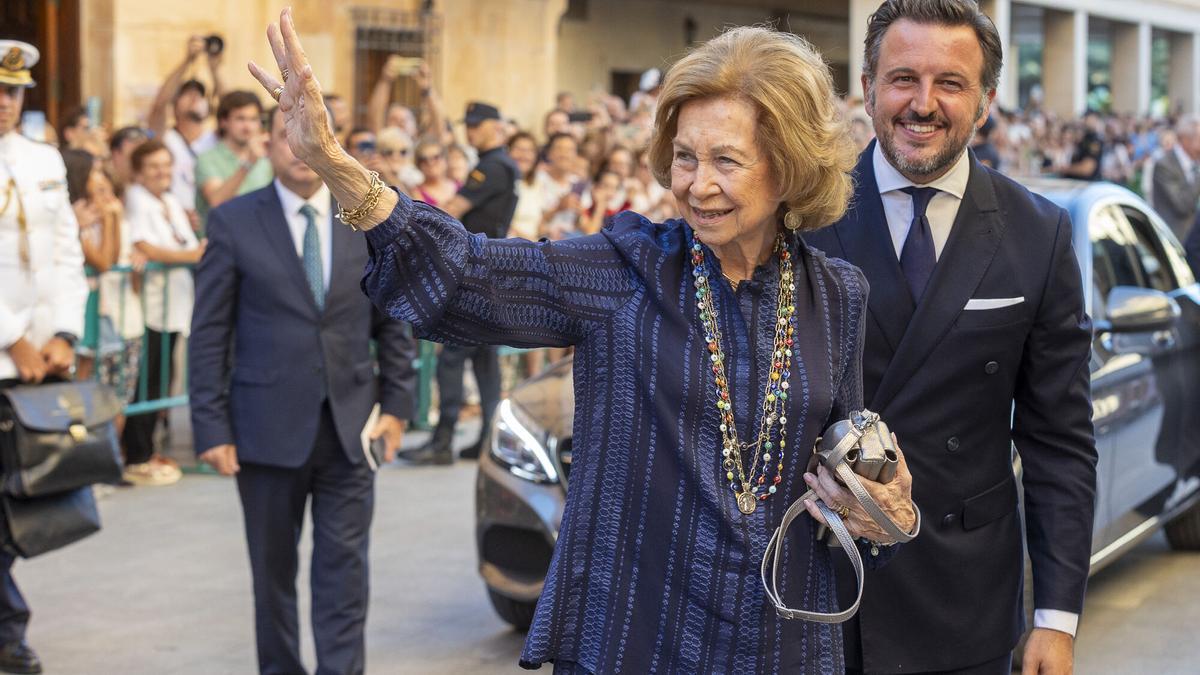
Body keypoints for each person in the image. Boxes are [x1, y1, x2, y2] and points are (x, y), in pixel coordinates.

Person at [250, 12, 917, 672]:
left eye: (726, 160)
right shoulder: (625, 270)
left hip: (783, 641)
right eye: (685, 157)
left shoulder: (837, 295)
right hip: (641, 632)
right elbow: (469, 275)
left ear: (789, 167)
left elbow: (840, 468)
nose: (697, 184)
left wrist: (880, 507)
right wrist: (336, 166)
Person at [803, 2, 1097, 673]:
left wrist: (1055, 617)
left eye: (951, 83)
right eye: (903, 78)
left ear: (987, 99)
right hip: (818, 587)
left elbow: (1059, 442)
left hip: (964, 604)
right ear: (869, 87)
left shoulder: (1038, 234)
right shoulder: (805, 214)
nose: (923, 104)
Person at [188, 105, 415, 675]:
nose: (297, 149)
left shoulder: (365, 218)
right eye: (286, 138)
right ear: (265, 146)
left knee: (345, 574)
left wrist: (399, 405)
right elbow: (209, 332)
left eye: (310, 138)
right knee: (273, 576)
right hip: (264, 430)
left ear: (329, 146)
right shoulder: (234, 221)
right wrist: (211, 426)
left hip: (350, 429)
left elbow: (393, 320)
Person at [0, 39, 89, 675]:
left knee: (17, 504)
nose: (4, 103)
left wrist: (63, 332)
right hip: (10, 352)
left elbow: (65, 254)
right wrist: (10, 336)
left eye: (13, 91)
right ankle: (9, 630)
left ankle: (7, 627)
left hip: (35, 368)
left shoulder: (41, 158)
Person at [398, 101, 519, 466]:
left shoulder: (491, 166)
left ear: (495, 126)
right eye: (468, 124)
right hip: (492, 269)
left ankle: (442, 440)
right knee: (484, 360)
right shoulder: (500, 165)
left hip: (475, 271)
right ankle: (487, 440)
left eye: (477, 125)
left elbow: (454, 208)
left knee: (453, 356)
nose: (471, 131)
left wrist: (411, 217)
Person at [122, 140, 204, 486]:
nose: (162, 172)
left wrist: (191, 253)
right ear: (140, 171)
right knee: (147, 381)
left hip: (176, 303)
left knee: (162, 380)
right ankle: (136, 453)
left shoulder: (170, 200)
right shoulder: (135, 199)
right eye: (154, 166)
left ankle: (147, 448)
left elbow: (186, 243)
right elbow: (144, 245)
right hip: (152, 305)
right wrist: (191, 257)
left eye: (166, 165)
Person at [148, 35, 224, 231]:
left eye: (199, 94)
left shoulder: (214, 138)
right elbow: (159, 103)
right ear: (174, 106)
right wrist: (187, 61)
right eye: (186, 94)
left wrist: (214, 69)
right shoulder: (166, 138)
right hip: (174, 222)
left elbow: (232, 107)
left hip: (213, 221)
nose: (194, 97)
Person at [194, 90, 272, 230]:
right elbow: (217, 201)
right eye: (240, 119)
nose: (247, 127)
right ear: (224, 122)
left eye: (253, 119)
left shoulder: (266, 161)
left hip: (259, 239)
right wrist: (248, 164)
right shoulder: (207, 159)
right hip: (222, 243)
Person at [1152, 115, 1200, 243]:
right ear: (1185, 139)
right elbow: (1182, 205)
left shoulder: (1195, 163)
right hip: (1174, 239)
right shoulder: (1165, 164)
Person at [412, 140, 459, 208]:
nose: (430, 163)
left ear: (445, 158)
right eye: (424, 159)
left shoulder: (459, 186)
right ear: (418, 164)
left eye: (436, 157)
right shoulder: (416, 193)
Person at [1060, 109, 1105, 181]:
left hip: (1088, 185)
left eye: (1088, 118)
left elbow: (1086, 169)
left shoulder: (1094, 140)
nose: (1084, 120)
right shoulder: (1085, 138)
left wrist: (1064, 169)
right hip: (1076, 183)